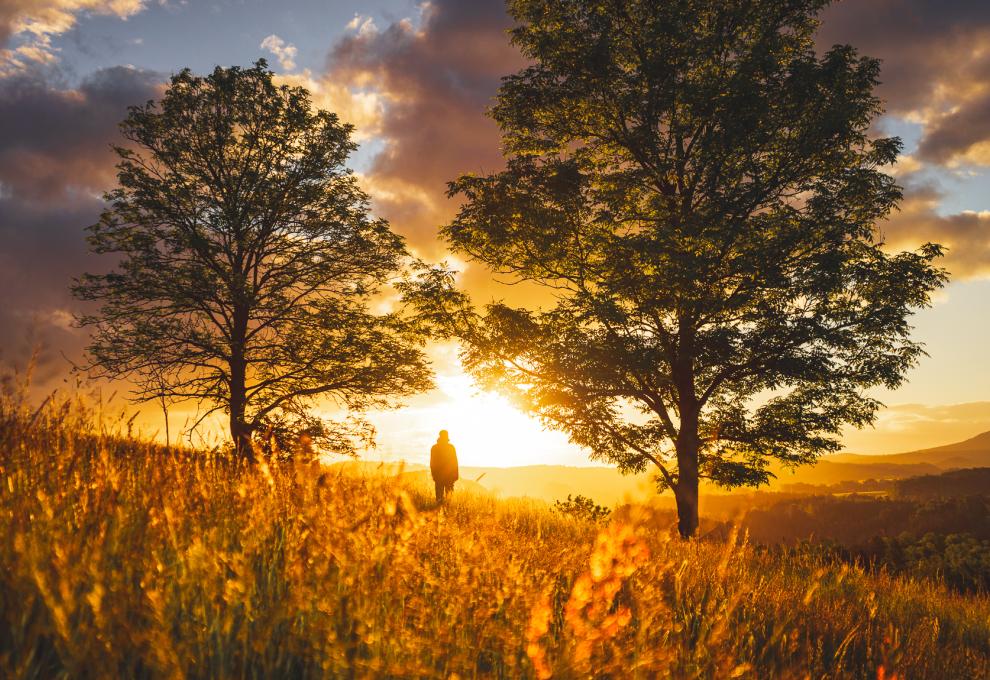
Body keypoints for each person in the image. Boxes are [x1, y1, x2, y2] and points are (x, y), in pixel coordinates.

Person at [430, 429, 458, 503]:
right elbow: (455, 462)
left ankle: (438, 512)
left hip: (440, 476)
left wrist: (434, 475)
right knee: (449, 498)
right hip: (449, 476)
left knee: (440, 498)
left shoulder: (434, 448)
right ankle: (447, 512)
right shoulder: (451, 447)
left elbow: (432, 463)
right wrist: (455, 476)